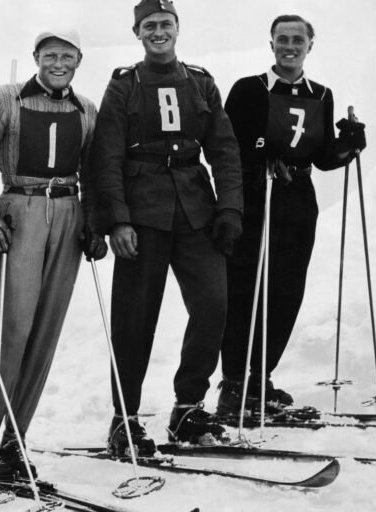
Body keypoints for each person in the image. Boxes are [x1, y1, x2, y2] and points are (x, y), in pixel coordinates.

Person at [93, 0, 243, 449]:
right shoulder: (123, 86)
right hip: (142, 215)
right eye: (149, 26)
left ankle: (187, 410)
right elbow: (107, 157)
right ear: (137, 33)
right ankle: (125, 418)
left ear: (178, 29)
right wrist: (117, 220)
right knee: (134, 319)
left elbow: (225, 149)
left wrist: (230, 208)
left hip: (197, 211)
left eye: (166, 24)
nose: (158, 32)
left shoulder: (200, 82)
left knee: (214, 305)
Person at [0, 28, 105, 480]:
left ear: (79, 59)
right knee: (11, 329)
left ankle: (13, 442)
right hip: (20, 209)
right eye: (50, 55)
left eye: (67, 55)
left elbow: (95, 171)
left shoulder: (85, 108)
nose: (58, 63)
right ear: (36, 57)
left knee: (45, 332)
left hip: (68, 210)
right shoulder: (6, 98)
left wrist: (94, 224)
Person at [218, 15, 366, 414]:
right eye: (282, 39)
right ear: (271, 44)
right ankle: (233, 383)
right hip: (256, 195)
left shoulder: (320, 94)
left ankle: (260, 379)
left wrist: (350, 143)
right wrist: (262, 156)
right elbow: (227, 145)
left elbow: (322, 157)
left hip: (298, 198)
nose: (289, 46)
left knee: (286, 289)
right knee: (245, 287)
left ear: (309, 46)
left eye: (297, 40)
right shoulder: (250, 89)